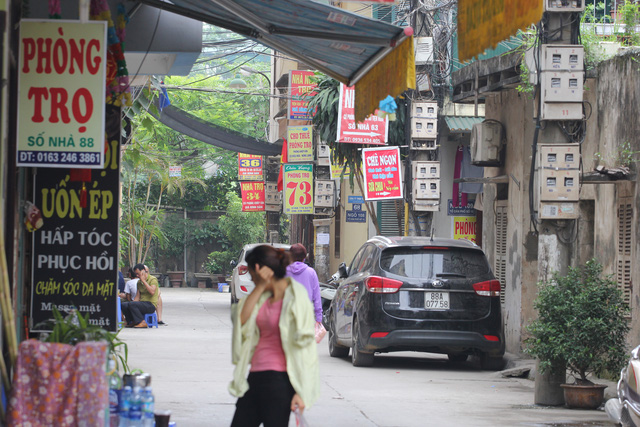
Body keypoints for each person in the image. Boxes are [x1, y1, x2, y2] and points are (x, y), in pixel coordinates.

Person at [229, 245, 319, 427]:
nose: (253, 280)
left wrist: (300, 391)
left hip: (280, 382)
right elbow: (241, 320)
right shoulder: (262, 296)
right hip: (254, 378)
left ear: (256, 269)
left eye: (253, 277)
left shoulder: (296, 296)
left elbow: (306, 346)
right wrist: (260, 286)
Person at [286, 244, 323, 326]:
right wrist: (318, 318)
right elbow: (316, 297)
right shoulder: (311, 272)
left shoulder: (283, 272)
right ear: (304, 257)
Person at [121, 263, 159, 328]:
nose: (137, 275)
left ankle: (142, 322)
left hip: (150, 305)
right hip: (142, 303)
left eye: (138, 273)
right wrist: (131, 303)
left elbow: (152, 292)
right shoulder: (139, 282)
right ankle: (132, 321)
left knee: (132, 304)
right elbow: (137, 297)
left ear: (143, 271)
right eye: (136, 274)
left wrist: (144, 281)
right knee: (124, 305)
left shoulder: (152, 279)